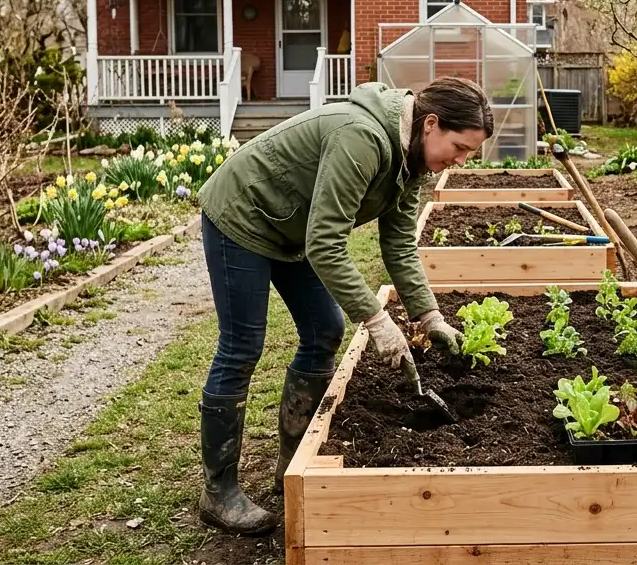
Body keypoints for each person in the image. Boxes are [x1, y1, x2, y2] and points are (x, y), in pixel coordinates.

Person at [192, 77, 493, 534]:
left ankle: (292, 463)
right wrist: (376, 319)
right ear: (430, 123)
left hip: (291, 229)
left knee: (324, 331)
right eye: (459, 146)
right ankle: (219, 492)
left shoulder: (412, 160)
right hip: (243, 215)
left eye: (470, 153)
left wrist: (429, 315)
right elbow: (326, 243)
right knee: (242, 345)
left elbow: (399, 245)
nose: (461, 159)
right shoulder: (362, 137)